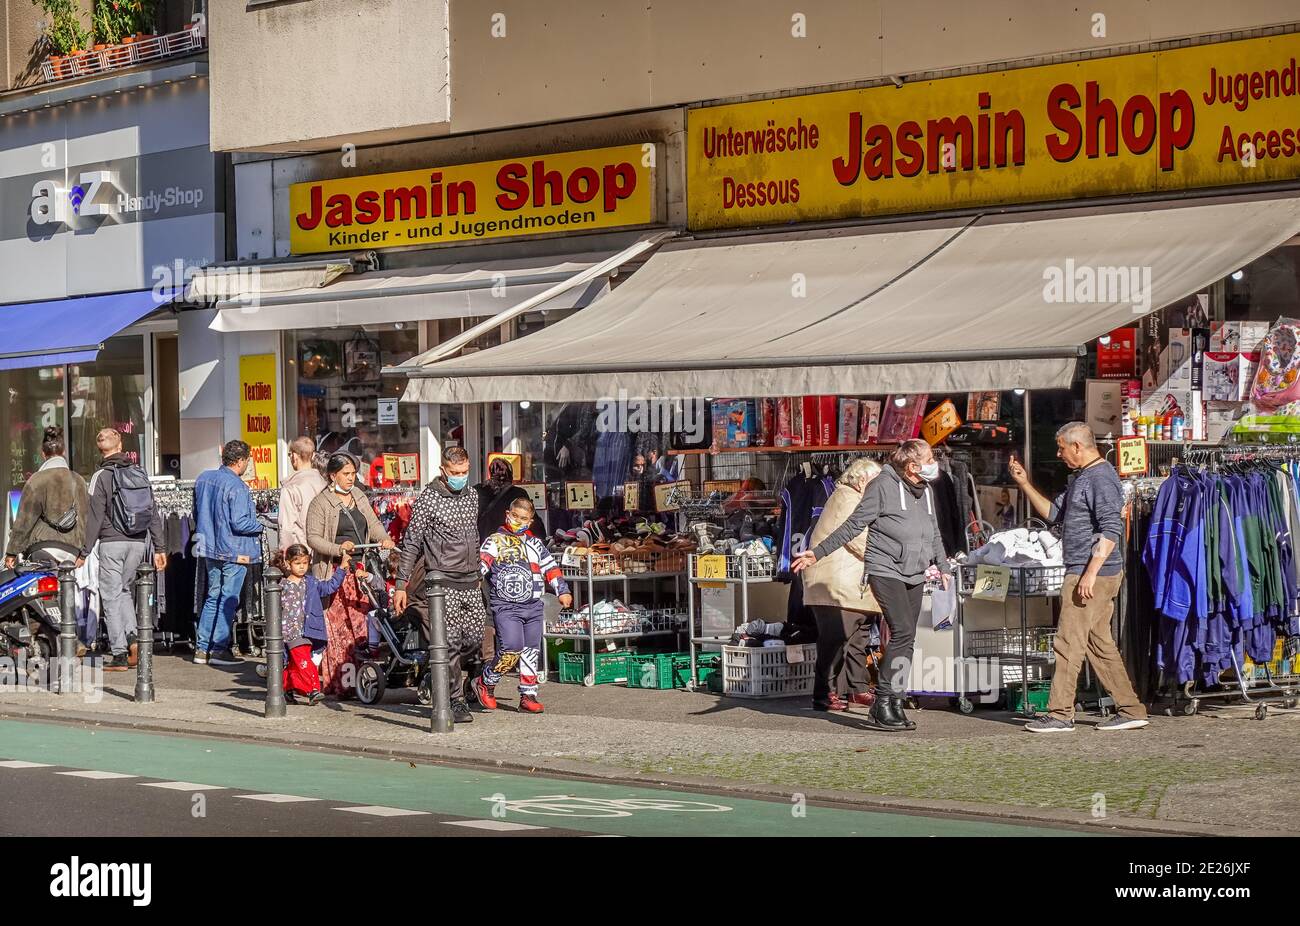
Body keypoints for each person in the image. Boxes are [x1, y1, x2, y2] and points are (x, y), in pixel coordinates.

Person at [791, 439, 952, 731]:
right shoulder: (881, 486)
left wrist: (943, 566)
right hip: (885, 568)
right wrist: (817, 552)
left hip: (914, 571)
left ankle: (893, 701)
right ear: (913, 466)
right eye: (930, 458)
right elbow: (853, 526)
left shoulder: (925, 491)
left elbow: (933, 531)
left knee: (907, 637)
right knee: (902, 630)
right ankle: (883, 702)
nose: (934, 463)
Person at [1010, 422, 1150, 733]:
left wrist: (1089, 573)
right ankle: (1130, 708)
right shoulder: (1082, 478)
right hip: (1089, 570)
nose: (1059, 454)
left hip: (1091, 573)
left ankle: (1060, 714)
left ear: (1077, 446)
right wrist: (1024, 483)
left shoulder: (1101, 478)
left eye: (1061, 448)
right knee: (1099, 643)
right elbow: (1054, 515)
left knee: (1067, 642)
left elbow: (1111, 529)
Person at [393, 446, 486, 723]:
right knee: (451, 642)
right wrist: (401, 583)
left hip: (471, 578)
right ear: (443, 471)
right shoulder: (429, 499)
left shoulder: (472, 495)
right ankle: (455, 699)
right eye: (455, 473)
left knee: (474, 638)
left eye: (465, 471)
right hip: (441, 579)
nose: (461, 477)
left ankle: (439, 674)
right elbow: (411, 542)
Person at [472, 497, 573, 714]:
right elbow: (482, 563)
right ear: (507, 514)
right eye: (515, 516)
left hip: (534, 607)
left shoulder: (535, 543)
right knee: (511, 648)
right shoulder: (495, 540)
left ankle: (528, 694)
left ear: (531, 520)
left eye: (523, 518)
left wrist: (562, 590)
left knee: (530, 651)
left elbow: (551, 569)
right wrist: (471, 582)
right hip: (506, 607)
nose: (518, 521)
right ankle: (486, 682)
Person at [304, 454, 395, 696]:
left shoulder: (359, 496)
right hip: (334, 572)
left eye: (353, 473)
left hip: (359, 572)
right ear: (332, 475)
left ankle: (362, 679)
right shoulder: (320, 503)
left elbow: (373, 524)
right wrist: (337, 548)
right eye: (346, 474)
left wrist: (383, 538)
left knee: (361, 627)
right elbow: (312, 538)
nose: (351, 478)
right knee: (338, 630)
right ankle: (340, 683)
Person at [78, 428, 166, 672]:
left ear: (107, 446)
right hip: (138, 543)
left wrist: (84, 552)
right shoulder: (139, 473)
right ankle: (134, 639)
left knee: (110, 594)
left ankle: (118, 653)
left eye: (105, 433)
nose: (102, 434)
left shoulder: (101, 476)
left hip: (111, 543)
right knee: (124, 590)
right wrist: (159, 546)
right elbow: (153, 513)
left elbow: (94, 518)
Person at [801, 457, 884, 712]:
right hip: (835, 584)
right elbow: (858, 538)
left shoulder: (854, 498)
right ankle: (824, 693)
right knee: (836, 639)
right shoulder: (846, 497)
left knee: (857, 637)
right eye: (876, 482)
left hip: (851, 584)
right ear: (861, 480)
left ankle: (856, 688)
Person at [192, 440, 263, 666]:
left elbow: (196, 513)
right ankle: (219, 649)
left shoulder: (203, 478)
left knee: (213, 597)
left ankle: (202, 649)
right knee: (228, 599)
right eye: (247, 461)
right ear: (241, 461)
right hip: (234, 550)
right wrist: (261, 524)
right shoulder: (238, 487)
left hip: (210, 547)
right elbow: (240, 523)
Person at [278, 543, 351, 705]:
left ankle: (287, 689)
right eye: (297, 563)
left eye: (305, 563)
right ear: (288, 563)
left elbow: (330, 586)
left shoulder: (311, 583)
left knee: (299, 662)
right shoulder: (280, 586)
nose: (302, 567)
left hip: (307, 631)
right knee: (298, 662)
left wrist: (341, 570)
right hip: (287, 632)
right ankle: (311, 689)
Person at [5, 427, 89, 569]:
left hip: (43, 547)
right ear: (63, 452)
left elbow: (24, 520)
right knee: (67, 588)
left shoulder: (36, 480)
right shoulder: (78, 480)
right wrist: (83, 553)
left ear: (43, 454)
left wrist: (11, 552)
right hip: (72, 551)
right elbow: (84, 519)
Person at [278, 436, 326, 551]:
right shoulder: (324, 484)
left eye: (290, 455)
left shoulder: (291, 488)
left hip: (300, 553)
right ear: (313, 456)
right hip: (323, 550)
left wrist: (285, 555)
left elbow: (286, 528)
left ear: (294, 456)